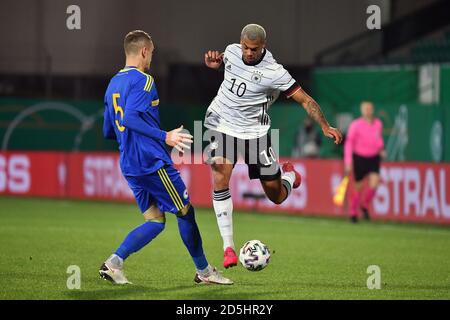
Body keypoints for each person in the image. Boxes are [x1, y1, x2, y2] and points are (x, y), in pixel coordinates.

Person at [203, 24, 343, 268]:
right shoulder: (232, 51)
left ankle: (288, 176)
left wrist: (325, 125)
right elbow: (224, 61)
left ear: (263, 47)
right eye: (245, 47)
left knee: (276, 195)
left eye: (253, 49)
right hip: (222, 122)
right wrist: (214, 63)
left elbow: (305, 100)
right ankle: (228, 247)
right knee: (219, 173)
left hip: (256, 133)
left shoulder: (275, 71)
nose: (248, 52)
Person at [100, 30, 233, 285]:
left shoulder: (112, 84)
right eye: (152, 52)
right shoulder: (144, 81)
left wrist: (130, 140)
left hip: (129, 162)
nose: (151, 57)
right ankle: (204, 272)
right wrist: (165, 136)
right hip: (152, 161)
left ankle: (113, 263)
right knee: (185, 212)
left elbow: (109, 129)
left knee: (155, 220)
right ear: (144, 51)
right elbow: (129, 118)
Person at [344, 101, 385, 223]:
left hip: (374, 157)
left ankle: (365, 204)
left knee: (375, 182)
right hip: (360, 157)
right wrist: (348, 161)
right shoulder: (356, 125)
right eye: (366, 109)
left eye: (370, 108)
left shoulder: (378, 124)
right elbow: (349, 143)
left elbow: (378, 139)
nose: (368, 111)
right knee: (358, 187)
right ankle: (353, 212)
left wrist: (381, 148)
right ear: (362, 111)